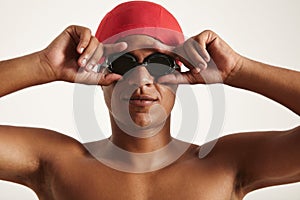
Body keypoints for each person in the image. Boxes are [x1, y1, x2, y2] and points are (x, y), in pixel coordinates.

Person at [0, 1, 299, 199]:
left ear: (184, 73)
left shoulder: (225, 164)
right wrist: (43, 65)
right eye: (123, 62)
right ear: (96, 73)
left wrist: (239, 70)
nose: (142, 79)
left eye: (159, 63)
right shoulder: (57, 163)